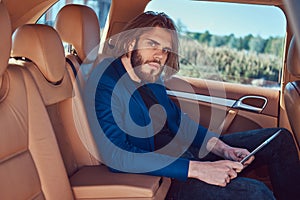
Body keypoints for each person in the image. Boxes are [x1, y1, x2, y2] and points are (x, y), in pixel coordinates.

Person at [85, 11, 300, 200]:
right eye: (152, 44)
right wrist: (199, 170)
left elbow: (178, 121)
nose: (160, 56)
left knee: (279, 139)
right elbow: (117, 156)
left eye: (166, 50)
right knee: (257, 193)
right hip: (168, 177)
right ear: (131, 43)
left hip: (189, 153)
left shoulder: (150, 74)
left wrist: (223, 149)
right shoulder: (105, 83)